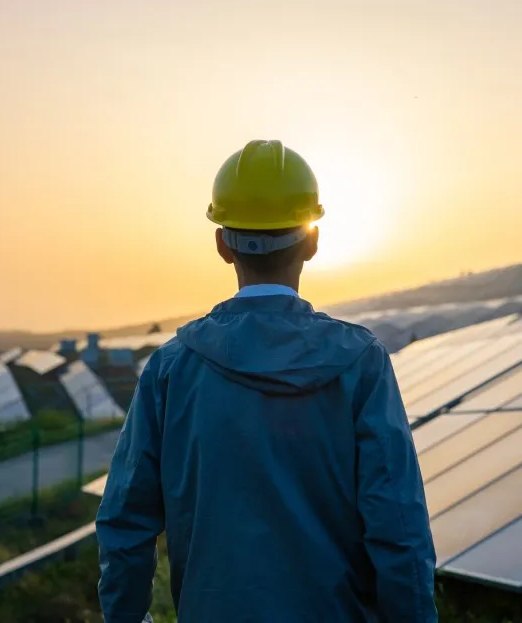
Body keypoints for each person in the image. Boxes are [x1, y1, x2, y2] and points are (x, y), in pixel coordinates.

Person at [96, 140, 437, 623]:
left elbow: (125, 523)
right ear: (312, 241)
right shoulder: (362, 363)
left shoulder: (171, 369)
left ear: (222, 245)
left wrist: (127, 617)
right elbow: (399, 530)